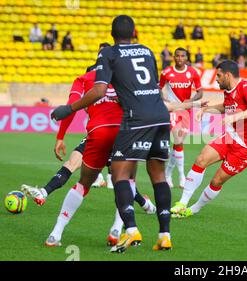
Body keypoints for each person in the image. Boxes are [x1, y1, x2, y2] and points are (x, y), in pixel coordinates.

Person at [51, 15, 197, 253]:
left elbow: (99, 90)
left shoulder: (108, 53)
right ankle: (164, 235)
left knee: (119, 174)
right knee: (158, 175)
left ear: (111, 34)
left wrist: (69, 108)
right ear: (135, 32)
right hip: (160, 116)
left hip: (136, 119)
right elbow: (148, 85)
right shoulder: (148, 51)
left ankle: (130, 230)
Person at [23, 63, 158, 247]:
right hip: (123, 134)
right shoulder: (126, 77)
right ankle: (117, 230)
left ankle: (55, 233)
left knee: (82, 184)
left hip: (97, 134)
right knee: (125, 182)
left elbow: (71, 107)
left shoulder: (84, 79)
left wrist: (60, 136)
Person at [170, 60, 247, 218]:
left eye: (219, 76)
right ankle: (182, 203)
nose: (216, 79)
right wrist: (206, 109)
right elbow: (226, 106)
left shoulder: (245, 87)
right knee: (201, 159)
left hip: (246, 147)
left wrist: (236, 117)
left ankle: (194, 209)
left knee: (216, 181)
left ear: (228, 75)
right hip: (230, 137)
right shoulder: (228, 90)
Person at [159, 47, 203, 189]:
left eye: (182, 56)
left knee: (178, 144)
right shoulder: (166, 72)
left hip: (186, 111)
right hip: (173, 110)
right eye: (177, 56)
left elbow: (200, 92)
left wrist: (191, 100)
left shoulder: (192, 72)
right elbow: (159, 88)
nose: (179, 58)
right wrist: (164, 100)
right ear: (173, 57)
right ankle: (182, 176)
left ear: (186, 58)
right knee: (178, 139)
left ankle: (167, 173)